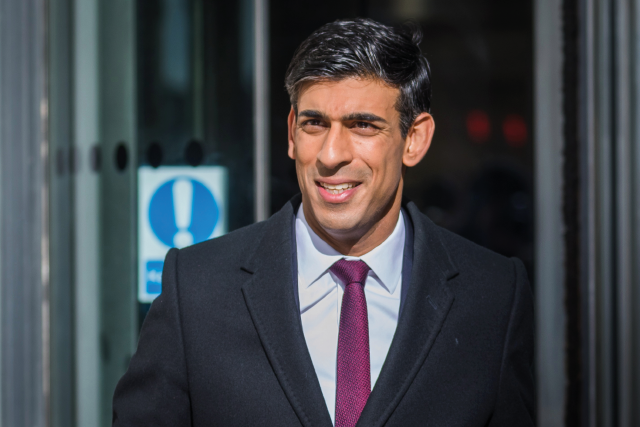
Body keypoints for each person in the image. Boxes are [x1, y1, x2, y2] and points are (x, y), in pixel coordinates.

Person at [112, 18, 534, 427]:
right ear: (292, 133)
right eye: (314, 124)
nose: (331, 155)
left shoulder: (493, 297)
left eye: (362, 125)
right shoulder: (197, 289)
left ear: (414, 139)